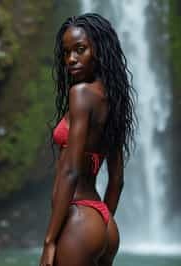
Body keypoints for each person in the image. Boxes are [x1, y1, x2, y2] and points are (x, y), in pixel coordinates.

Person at [39, 13, 137, 266]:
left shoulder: (80, 93)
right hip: (104, 222)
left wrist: (49, 242)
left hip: (79, 215)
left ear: (99, 50)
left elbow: (70, 171)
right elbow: (117, 180)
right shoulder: (113, 99)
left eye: (80, 50)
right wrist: (102, 223)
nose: (70, 59)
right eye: (66, 52)